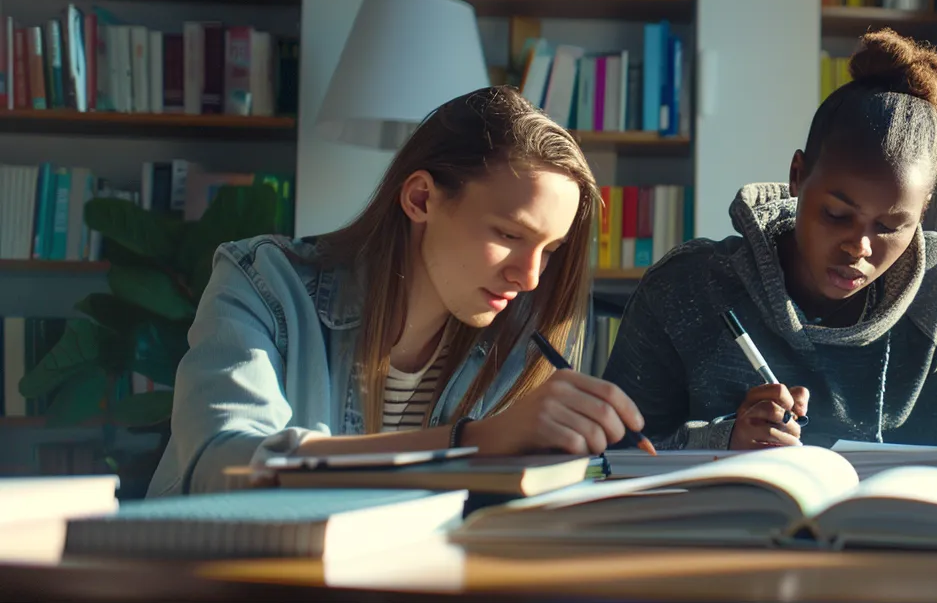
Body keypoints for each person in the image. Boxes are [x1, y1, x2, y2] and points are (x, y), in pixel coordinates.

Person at [148, 86, 646, 497]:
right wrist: (471, 442)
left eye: (550, 249)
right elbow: (225, 465)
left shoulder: (517, 335)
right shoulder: (264, 282)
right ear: (421, 198)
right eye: (510, 236)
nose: (530, 277)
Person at [603, 29, 937, 451]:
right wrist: (722, 440)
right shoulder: (685, 288)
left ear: (923, 211)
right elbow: (617, 454)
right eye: (837, 214)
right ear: (797, 176)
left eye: (890, 227)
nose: (859, 247)